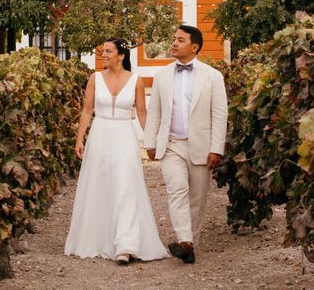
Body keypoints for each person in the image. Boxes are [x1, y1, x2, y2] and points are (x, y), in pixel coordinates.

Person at [64, 38, 168, 265]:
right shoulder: (94, 79)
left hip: (124, 136)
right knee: (99, 184)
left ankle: (126, 244)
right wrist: (79, 139)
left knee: (126, 186)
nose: (103, 55)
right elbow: (86, 111)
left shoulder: (136, 81)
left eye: (108, 51)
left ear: (121, 55)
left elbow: (142, 113)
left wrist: (152, 142)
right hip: (100, 134)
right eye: (102, 51)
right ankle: (100, 238)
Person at [143, 25, 228, 264]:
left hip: (201, 145)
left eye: (180, 40)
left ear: (195, 47)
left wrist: (216, 148)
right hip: (171, 145)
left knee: (197, 199)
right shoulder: (162, 75)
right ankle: (184, 241)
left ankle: (191, 244)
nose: (174, 43)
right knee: (177, 190)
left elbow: (220, 115)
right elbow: (155, 112)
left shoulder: (213, 76)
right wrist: (150, 142)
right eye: (173, 39)